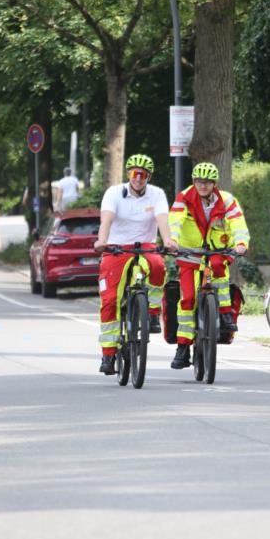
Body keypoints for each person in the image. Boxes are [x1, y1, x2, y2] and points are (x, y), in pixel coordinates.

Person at [94, 153, 176, 375]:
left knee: (159, 266)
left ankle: (151, 311)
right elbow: (107, 219)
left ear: (148, 177)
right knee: (110, 300)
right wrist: (102, 241)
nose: (138, 178)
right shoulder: (114, 193)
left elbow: (162, 220)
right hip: (116, 248)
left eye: (143, 175)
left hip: (146, 246)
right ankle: (108, 355)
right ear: (128, 174)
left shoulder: (157, 194)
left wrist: (167, 241)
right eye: (134, 173)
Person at [168, 161, 249, 369]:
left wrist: (241, 244)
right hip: (189, 253)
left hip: (216, 250)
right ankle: (183, 348)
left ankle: (225, 312)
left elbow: (238, 223)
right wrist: (173, 241)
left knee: (219, 268)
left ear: (215, 183)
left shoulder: (227, 200)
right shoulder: (184, 198)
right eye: (199, 181)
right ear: (194, 182)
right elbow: (175, 221)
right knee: (187, 298)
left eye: (207, 182)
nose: (203, 185)